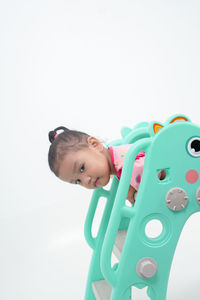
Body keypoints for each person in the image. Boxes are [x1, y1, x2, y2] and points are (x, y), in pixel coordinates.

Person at [48, 127, 165, 204]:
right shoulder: (117, 159)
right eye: (78, 181)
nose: (86, 180)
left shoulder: (126, 164)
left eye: (82, 168)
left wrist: (134, 192)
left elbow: (159, 174)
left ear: (95, 145)